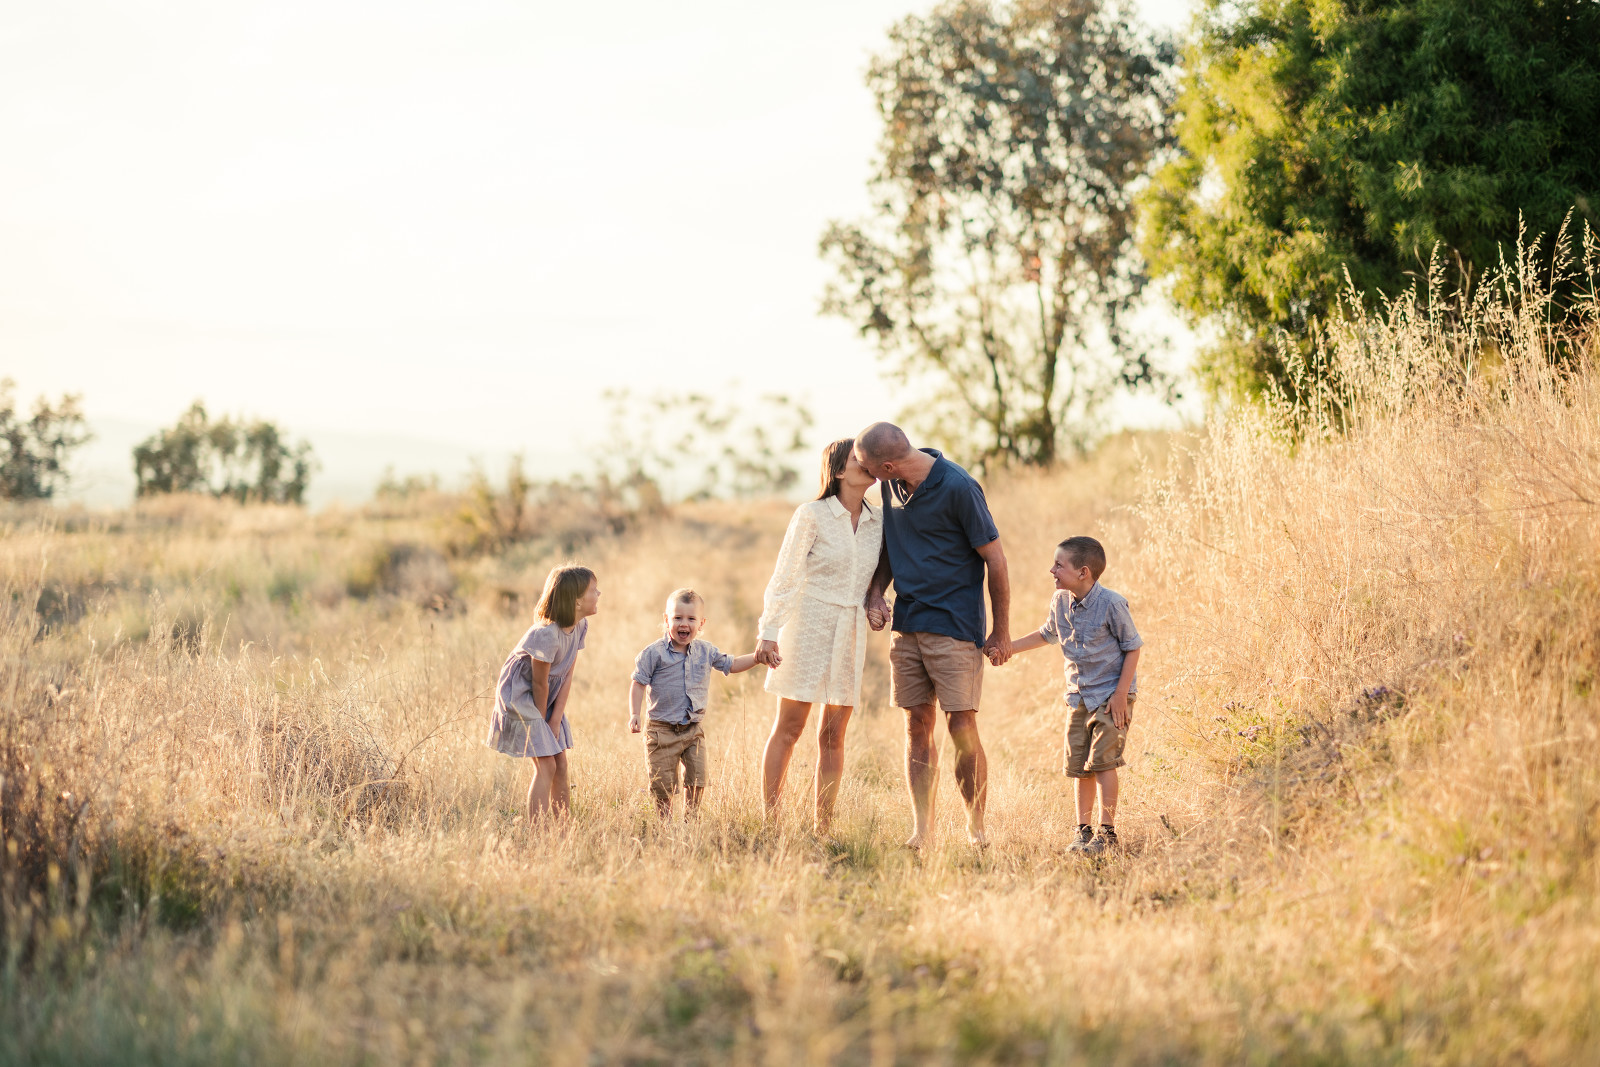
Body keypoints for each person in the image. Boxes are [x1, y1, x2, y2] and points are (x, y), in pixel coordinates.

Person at [855, 422, 1012, 848]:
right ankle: (923, 831)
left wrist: (1001, 631)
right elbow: (891, 550)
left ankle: (976, 829)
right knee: (916, 727)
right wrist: (876, 593)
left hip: (955, 628)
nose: (867, 476)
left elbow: (996, 560)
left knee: (961, 725)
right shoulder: (890, 488)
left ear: (888, 466)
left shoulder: (960, 487)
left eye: (869, 469)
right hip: (907, 627)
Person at [754, 438, 884, 836]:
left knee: (833, 735)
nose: (868, 462)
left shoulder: (881, 521)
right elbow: (786, 576)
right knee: (790, 727)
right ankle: (771, 823)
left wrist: (877, 600)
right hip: (807, 625)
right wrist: (769, 631)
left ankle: (822, 829)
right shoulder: (811, 515)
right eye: (859, 458)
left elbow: (877, 577)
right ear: (840, 471)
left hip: (850, 630)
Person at [1006, 536, 1142, 856]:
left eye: (1059, 565)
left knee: (1103, 762)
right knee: (1080, 765)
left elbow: (1133, 647)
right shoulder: (1060, 601)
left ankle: (1107, 833)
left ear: (1083, 572)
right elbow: (1047, 634)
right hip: (1078, 696)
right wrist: (1008, 648)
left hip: (1111, 696)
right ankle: (1083, 831)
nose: (1051, 570)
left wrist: (1121, 695)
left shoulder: (1112, 604)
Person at [628, 589, 759, 819]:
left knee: (697, 779)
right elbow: (638, 683)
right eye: (677, 617)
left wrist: (757, 658)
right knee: (662, 785)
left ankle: (691, 819)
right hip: (661, 730)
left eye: (691, 619)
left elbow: (732, 664)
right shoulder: (654, 653)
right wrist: (635, 714)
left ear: (701, 623)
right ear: (666, 620)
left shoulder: (705, 651)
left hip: (692, 730)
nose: (684, 624)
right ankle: (666, 823)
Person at [486, 564, 600, 823]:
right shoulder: (545, 635)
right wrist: (541, 726)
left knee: (561, 764)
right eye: (594, 590)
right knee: (546, 765)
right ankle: (538, 834)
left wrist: (555, 719)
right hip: (521, 696)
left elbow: (567, 674)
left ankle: (562, 830)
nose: (598, 594)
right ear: (577, 601)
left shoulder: (580, 626)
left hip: (547, 694)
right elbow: (538, 683)